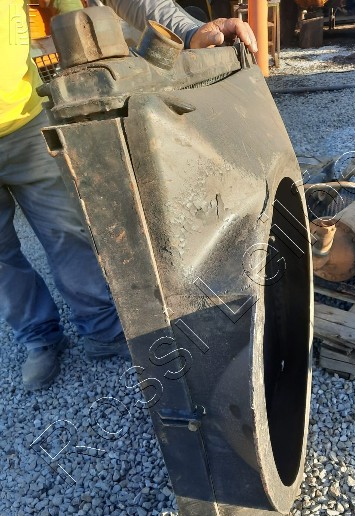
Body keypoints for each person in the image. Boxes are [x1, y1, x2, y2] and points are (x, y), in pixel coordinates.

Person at [0, 1, 256, 392]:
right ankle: (38, 335)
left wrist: (187, 29)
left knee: (66, 229)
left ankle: (101, 328)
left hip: (21, 119)